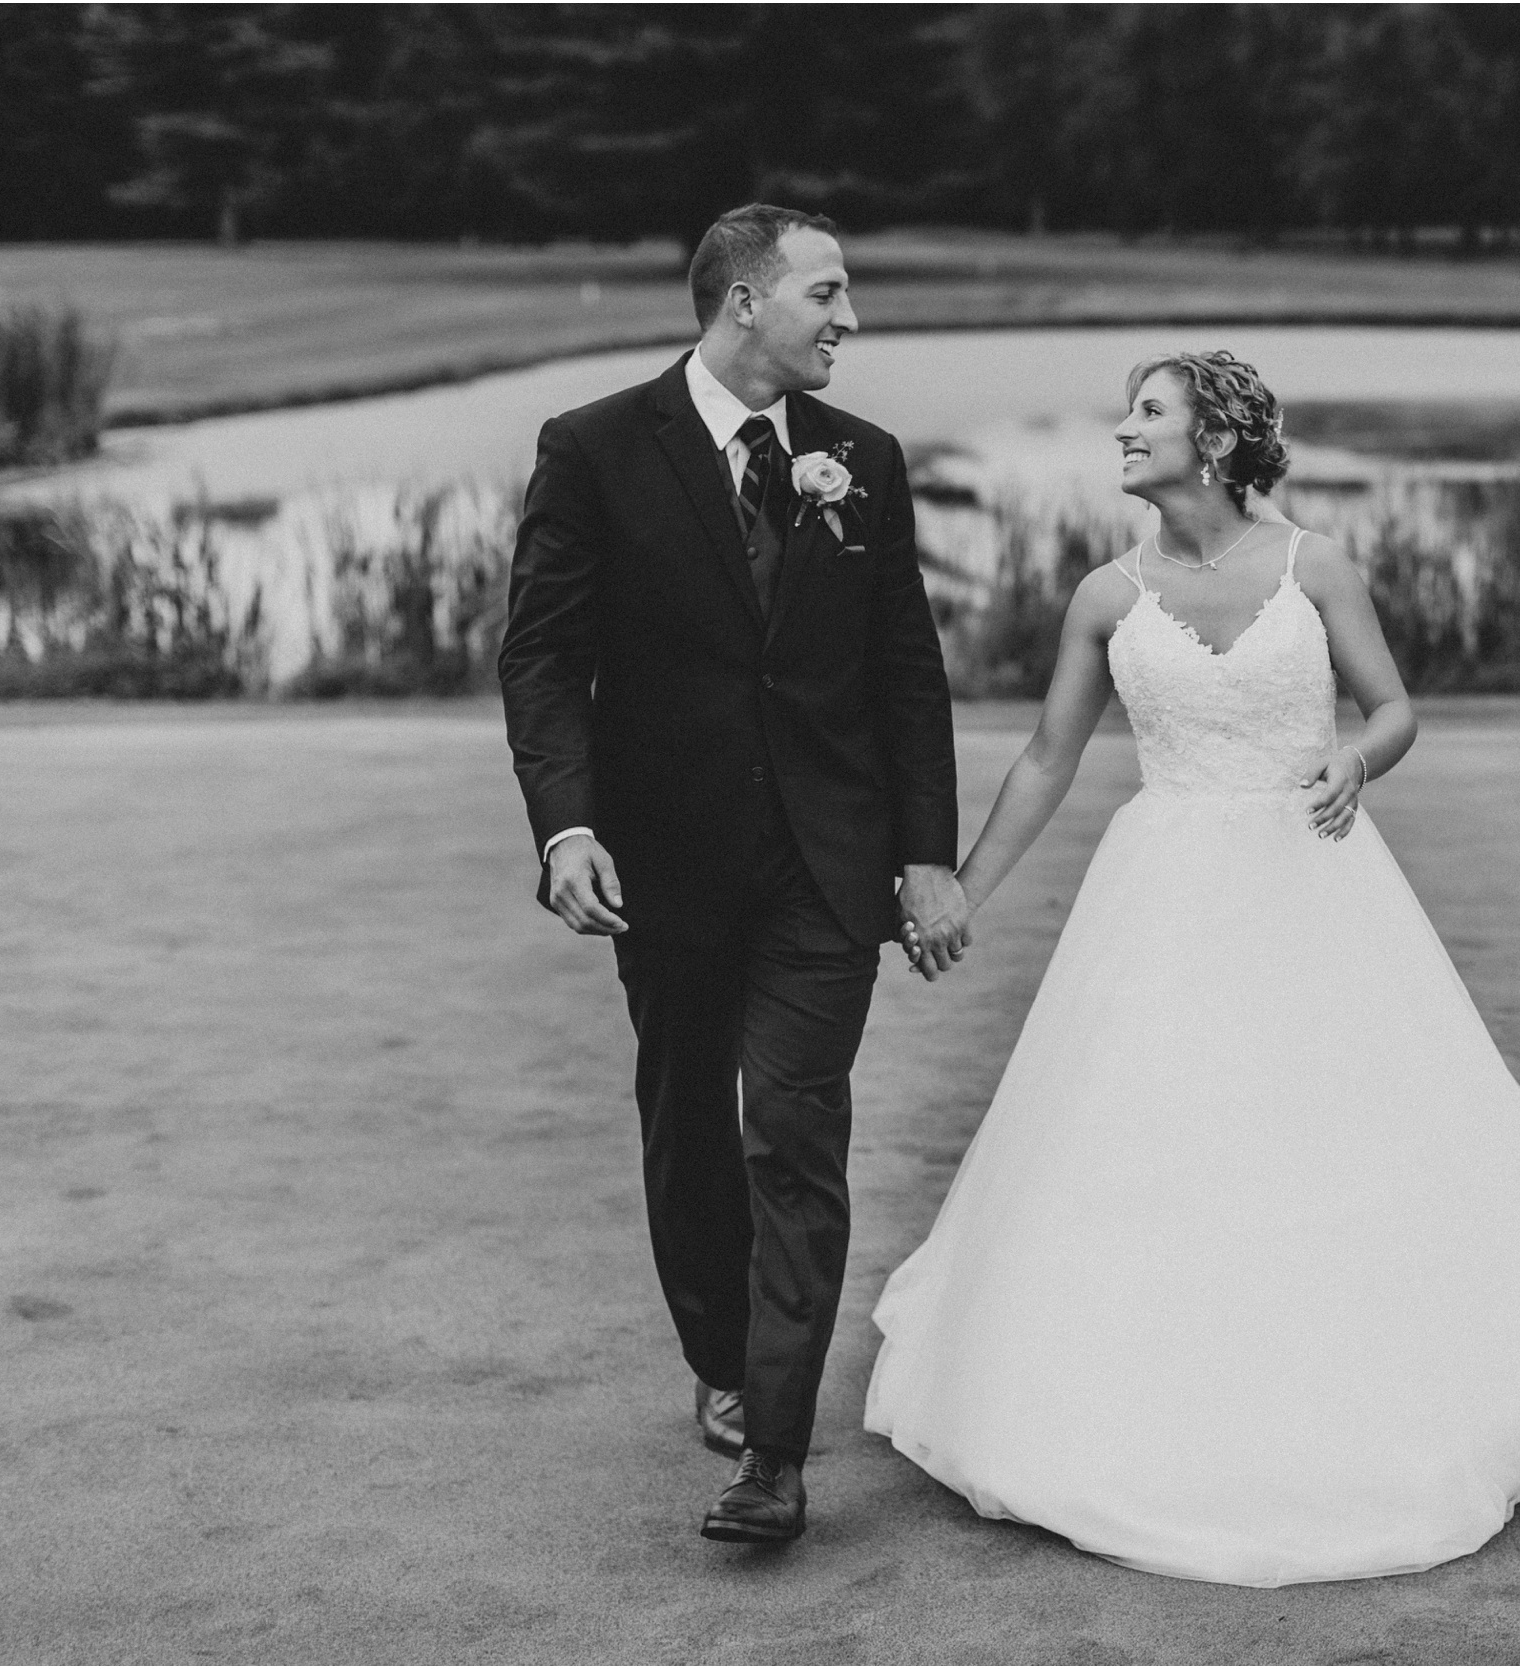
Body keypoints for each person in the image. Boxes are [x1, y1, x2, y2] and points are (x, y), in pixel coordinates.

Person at [864, 350, 1520, 1587]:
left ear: (1212, 439)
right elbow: (1050, 759)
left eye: (1147, 412)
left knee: (1348, 1123)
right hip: (1159, 887)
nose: (1122, 430)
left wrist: (1355, 763)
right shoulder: (1105, 595)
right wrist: (958, 888)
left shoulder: (1314, 565)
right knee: (1152, 1133)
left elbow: (1392, 707)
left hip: (1311, 881)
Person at [497, 203, 971, 1545]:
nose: (851, 319)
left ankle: (773, 1443)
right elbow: (541, 657)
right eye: (828, 293)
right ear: (745, 302)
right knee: (689, 1120)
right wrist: (567, 826)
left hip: (830, 868)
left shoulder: (861, 459)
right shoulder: (593, 450)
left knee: (795, 1130)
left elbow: (906, 673)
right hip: (668, 865)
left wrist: (924, 854)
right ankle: (718, 1353)